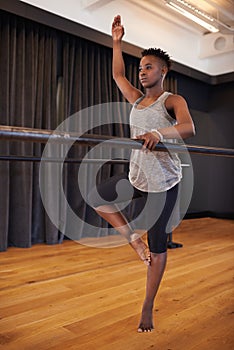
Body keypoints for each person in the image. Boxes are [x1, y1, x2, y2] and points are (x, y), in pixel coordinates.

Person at [88, 15, 195, 333]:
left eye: (149, 66)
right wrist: (117, 42)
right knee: (99, 198)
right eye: (141, 67)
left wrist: (160, 134)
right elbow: (118, 73)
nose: (142, 71)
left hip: (164, 182)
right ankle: (134, 241)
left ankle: (147, 306)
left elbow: (189, 127)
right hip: (138, 175)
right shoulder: (136, 100)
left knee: (159, 245)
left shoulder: (172, 100)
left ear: (163, 71)